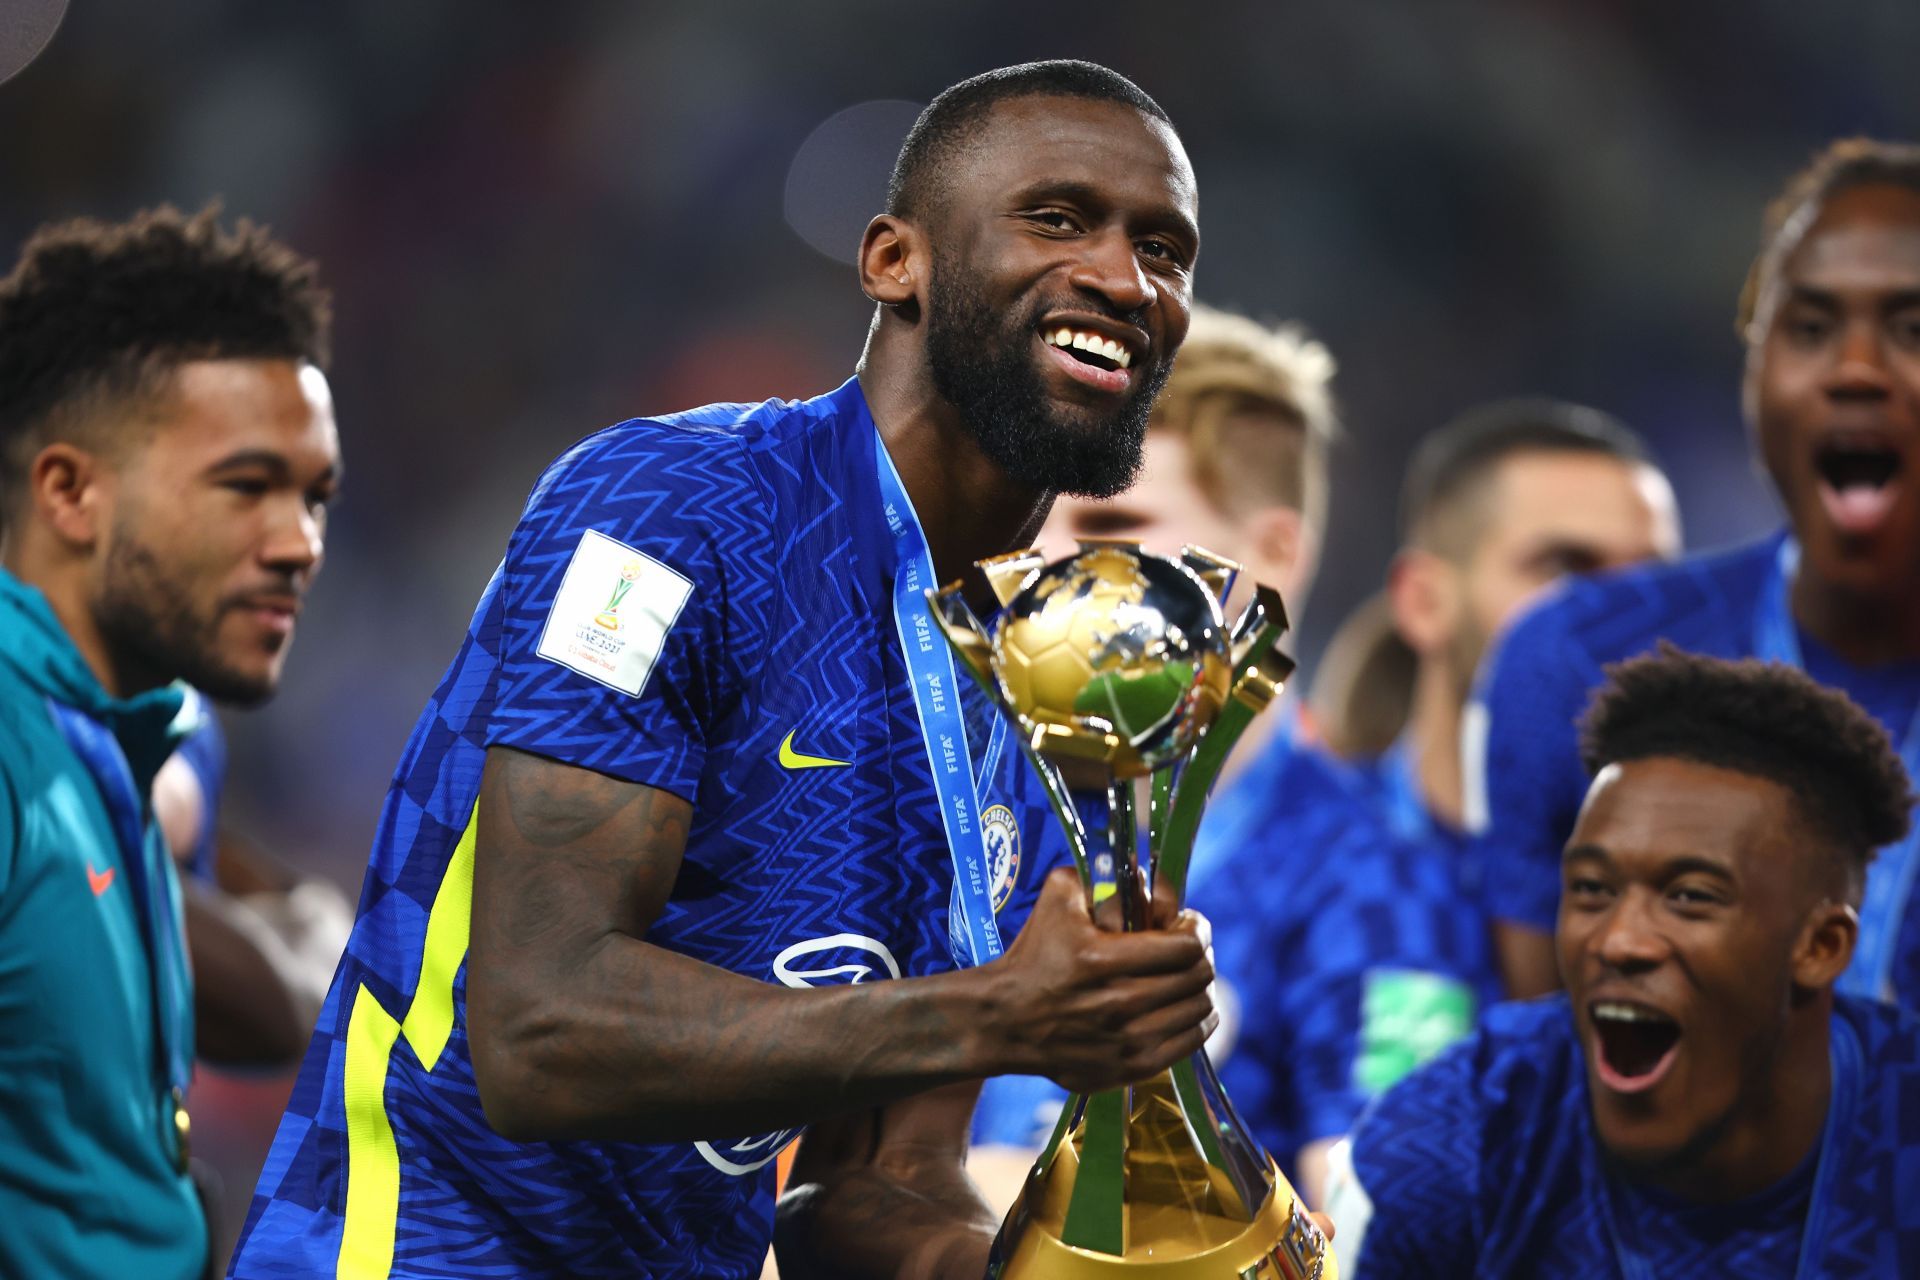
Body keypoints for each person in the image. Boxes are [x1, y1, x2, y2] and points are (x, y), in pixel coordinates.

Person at [229, 61, 1220, 1280]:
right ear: (893, 261)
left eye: (1165, 250)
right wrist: (1003, 1011)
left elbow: (873, 1183)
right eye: (1059, 219)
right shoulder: (671, 513)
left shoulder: (1029, 685)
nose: (1125, 279)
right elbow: (540, 1032)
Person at [1468, 138, 1920, 1005]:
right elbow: (1540, 1073)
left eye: (1913, 328)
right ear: (1754, 372)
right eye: (1811, 327)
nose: (1856, 370)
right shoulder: (1578, 658)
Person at [1324, 648, 1920, 1276]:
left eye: (1690, 897)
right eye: (1592, 889)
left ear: (1820, 947)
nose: (1618, 940)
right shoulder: (1462, 1138)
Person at [0, 206, 340, 1279]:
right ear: (70, 490)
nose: (298, 543)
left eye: (316, 495)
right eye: (245, 486)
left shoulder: (124, 740)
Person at [965, 303, 1343, 1182]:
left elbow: (1378, 1210)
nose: (1047, 568)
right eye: (1034, 522)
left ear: (1273, 555)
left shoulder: (1370, 868)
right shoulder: (950, 816)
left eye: (1112, 528)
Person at [1313, 399, 1680, 842]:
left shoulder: (1720, 869)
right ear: (1424, 602)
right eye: (1566, 568)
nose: (1625, 615)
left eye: (1653, 580)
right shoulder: (1288, 875)